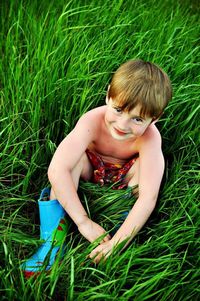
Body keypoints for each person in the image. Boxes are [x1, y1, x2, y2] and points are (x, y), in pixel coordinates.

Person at [22, 59, 172, 276]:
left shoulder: (150, 138)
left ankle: (117, 229)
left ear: (154, 119)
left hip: (125, 176)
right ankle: (53, 245)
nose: (122, 125)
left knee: (145, 171)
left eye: (137, 119)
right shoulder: (92, 120)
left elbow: (148, 198)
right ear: (108, 95)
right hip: (91, 168)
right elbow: (57, 169)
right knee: (71, 164)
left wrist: (116, 245)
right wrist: (83, 222)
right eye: (118, 109)